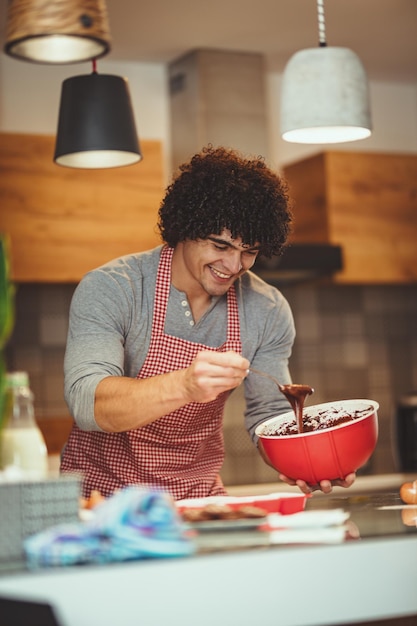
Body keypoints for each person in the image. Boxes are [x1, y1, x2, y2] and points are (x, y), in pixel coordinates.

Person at [61, 146, 355, 499]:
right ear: (186, 227)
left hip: (198, 500)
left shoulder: (267, 309)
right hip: (101, 500)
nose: (234, 265)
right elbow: (88, 403)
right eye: (220, 245)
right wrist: (184, 385)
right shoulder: (114, 288)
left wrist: (307, 462)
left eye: (249, 251)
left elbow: (270, 414)